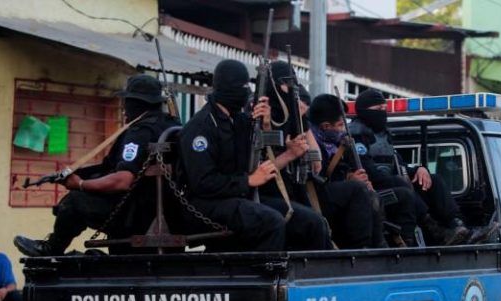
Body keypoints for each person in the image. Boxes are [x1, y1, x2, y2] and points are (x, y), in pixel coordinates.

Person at [13, 74, 181, 256]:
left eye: (127, 102)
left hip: (135, 215)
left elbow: (122, 180)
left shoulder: (140, 132)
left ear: (137, 103)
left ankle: (51, 249)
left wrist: (80, 185)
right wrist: (71, 174)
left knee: (74, 201)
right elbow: (108, 167)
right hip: (165, 212)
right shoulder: (171, 125)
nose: (124, 109)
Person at [176, 59, 311, 251]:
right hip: (207, 204)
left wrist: (265, 123)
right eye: (241, 86)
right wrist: (248, 181)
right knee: (271, 222)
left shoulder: (240, 120)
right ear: (226, 88)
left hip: (238, 196)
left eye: (248, 85)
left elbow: (262, 153)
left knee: (309, 221)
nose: (246, 91)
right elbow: (203, 183)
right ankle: (268, 277)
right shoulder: (201, 127)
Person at [348, 89, 470, 246]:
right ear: (365, 111)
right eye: (378, 109)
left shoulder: (383, 135)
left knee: (433, 180)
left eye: (384, 109)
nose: (383, 113)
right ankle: (434, 230)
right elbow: (369, 170)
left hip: (390, 183)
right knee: (401, 183)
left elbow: (398, 163)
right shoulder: (356, 135)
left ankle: (457, 226)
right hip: (372, 189)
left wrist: (419, 169)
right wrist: (400, 178)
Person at [309, 93, 414, 248]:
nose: (344, 129)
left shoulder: (340, 144)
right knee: (362, 193)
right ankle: (366, 248)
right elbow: (319, 178)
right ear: (325, 126)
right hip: (320, 198)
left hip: (349, 193)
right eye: (339, 125)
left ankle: (406, 244)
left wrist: (354, 176)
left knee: (401, 194)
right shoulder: (314, 146)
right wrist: (349, 181)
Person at [255, 61, 333, 250]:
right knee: (312, 223)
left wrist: (311, 155)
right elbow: (259, 168)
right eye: (287, 84)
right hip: (264, 193)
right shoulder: (257, 114)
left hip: (293, 185)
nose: (292, 90)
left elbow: (316, 157)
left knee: (322, 220)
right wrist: (290, 153)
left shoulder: (291, 114)